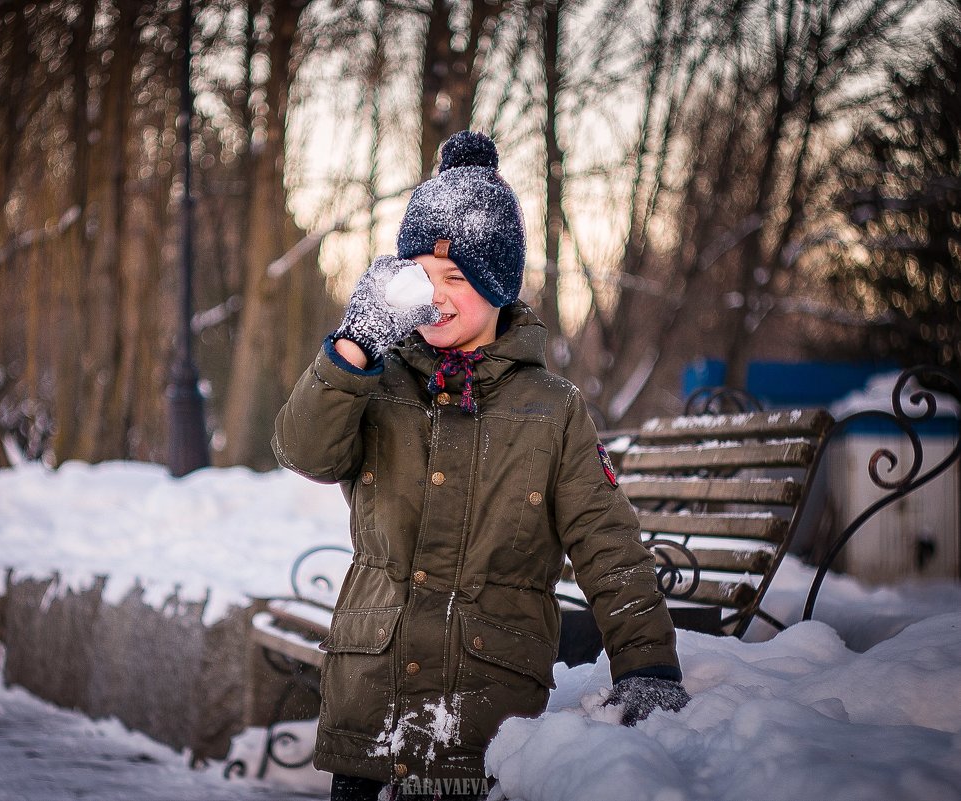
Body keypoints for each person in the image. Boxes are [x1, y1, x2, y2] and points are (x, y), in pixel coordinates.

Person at [272, 131, 690, 801]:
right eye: (418, 275)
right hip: (371, 712)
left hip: (486, 719)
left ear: (498, 285)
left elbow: (606, 541)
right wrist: (353, 347)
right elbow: (303, 449)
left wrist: (648, 663)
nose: (433, 297)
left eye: (456, 278)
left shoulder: (552, 411)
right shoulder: (376, 384)